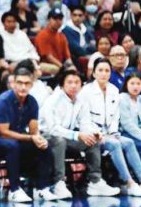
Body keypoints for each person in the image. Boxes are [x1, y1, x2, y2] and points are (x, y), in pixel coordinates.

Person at [79, 58, 141, 197]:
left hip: (111, 133)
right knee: (115, 144)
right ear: (94, 73)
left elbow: (115, 116)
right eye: (100, 70)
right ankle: (130, 183)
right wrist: (98, 134)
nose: (104, 73)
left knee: (129, 142)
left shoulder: (114, 90)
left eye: (107, 70)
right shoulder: (86, 91)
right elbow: (84, 119)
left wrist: (113, 132)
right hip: (93, 135)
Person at [40, 69, 120, 199]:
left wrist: (94, 133)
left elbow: (85, 123)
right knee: (59, 140)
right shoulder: (53, 100)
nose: (73, 85)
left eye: (77, 82)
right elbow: (53, 128)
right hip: (45, 137)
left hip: (67, 137)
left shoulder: (80, 101)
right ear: (62, 85)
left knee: (91, 140)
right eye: (70, 82)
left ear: (81, 84)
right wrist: (77, 135)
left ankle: (95, 182)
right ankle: (58, 183)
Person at [0, 67, 55, 202]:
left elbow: (33, 131)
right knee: (12, 146)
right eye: (19, 83)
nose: (23, 87)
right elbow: (4, 132)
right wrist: (31, 137)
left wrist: (38, 139)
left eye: (27, 83)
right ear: (13, 83)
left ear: (31, 85)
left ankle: (41, 188)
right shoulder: (2, 101)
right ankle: (14, 190)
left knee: (44, 146)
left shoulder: (32, 102)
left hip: (16, 138)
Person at [34, 8, 74, 75]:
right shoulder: (42, 35)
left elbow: (67, 57)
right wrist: (63, 67)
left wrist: (71, 66)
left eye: (60, 19)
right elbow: (48, 57)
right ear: (49, 20)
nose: (58, 21)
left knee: (72, 69)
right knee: (56, 69)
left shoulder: (62, 36)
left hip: (59, 64)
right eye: (55, 19)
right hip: (43, 64)